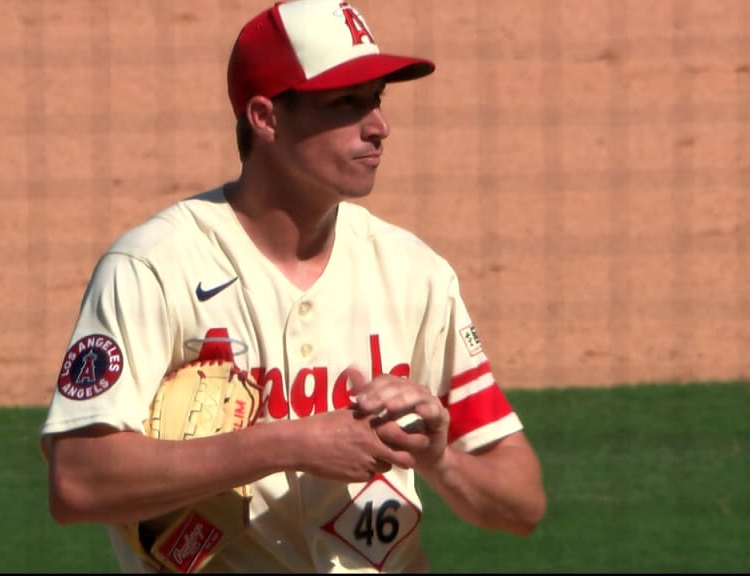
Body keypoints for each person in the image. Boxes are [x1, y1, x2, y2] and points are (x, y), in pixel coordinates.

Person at [39, 0, 546, 572]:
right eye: (346, 104)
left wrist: (437, 459)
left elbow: (522, 502)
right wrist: (289, 443)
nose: (379, 126)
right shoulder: (153, 268)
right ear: (265, 117)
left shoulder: (414, 273)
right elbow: (76, 481)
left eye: (375, 100)